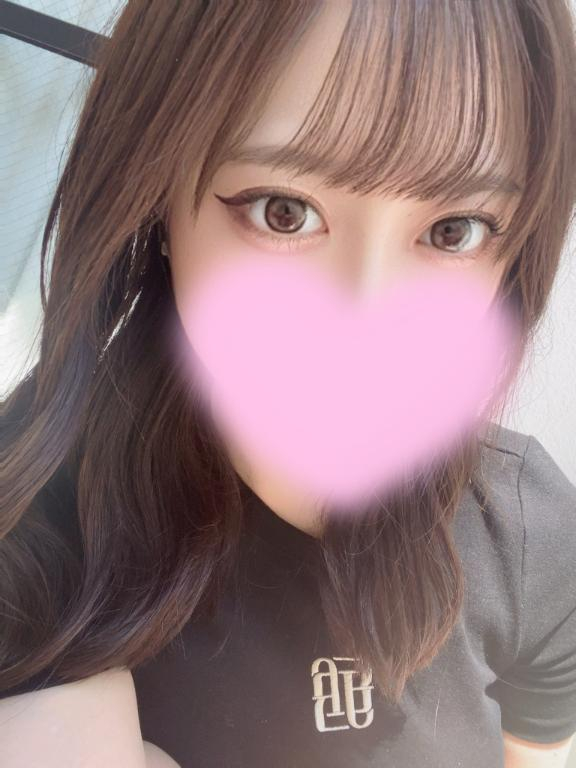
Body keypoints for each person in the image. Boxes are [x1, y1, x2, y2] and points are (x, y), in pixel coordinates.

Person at [1, 1, 576, 767]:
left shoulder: (531, 530)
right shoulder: (38, 508)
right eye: (284, 213)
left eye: (454, 231)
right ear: (158, 199)